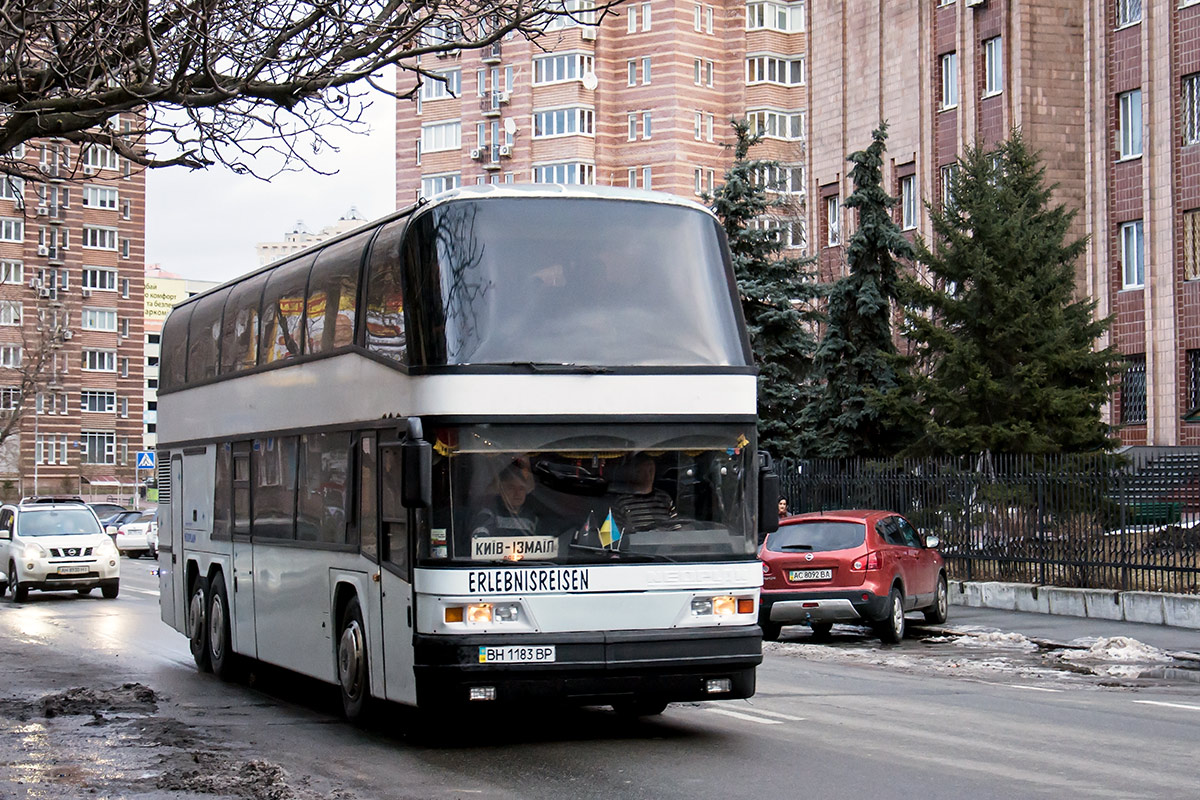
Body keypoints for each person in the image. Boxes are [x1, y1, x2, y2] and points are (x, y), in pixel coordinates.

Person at [470, 457, 541, 538]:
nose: (517, 493)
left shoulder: (533, 516)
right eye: (511, 488)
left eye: (521, 489)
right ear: (502, 490)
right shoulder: (490, 513)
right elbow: (479, 537)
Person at [612, 453, 675, 533]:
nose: (648, 475)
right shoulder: (621, 502)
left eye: (650, 470)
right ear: (633, 473)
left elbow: (676, 530)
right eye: (641, 471)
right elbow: (617, 537)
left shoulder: (665, 499)